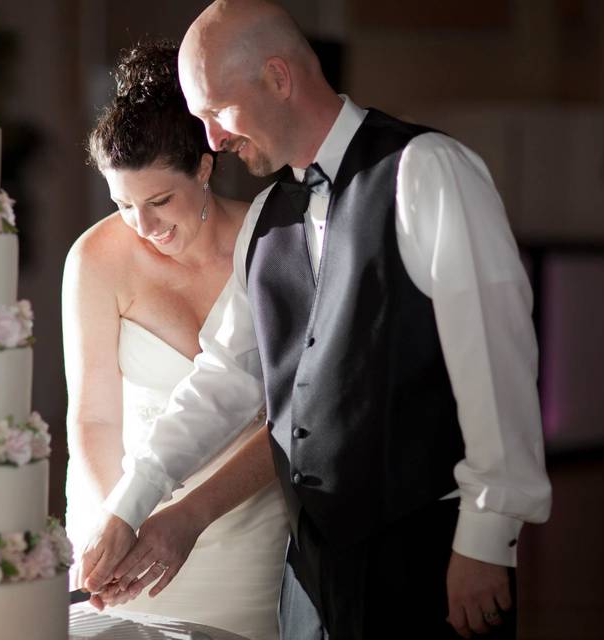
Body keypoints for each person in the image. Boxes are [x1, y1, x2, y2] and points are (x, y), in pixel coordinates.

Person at [79, 2, 553, 639]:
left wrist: (486, 539)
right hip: (309, 573)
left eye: (217, 112)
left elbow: (498, 363)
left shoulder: (426, 170)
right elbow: (225, 375)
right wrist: (131, 504)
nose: (212, 140)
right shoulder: (271, 211)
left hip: (427, 555)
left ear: (278, 77)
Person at [62, 40, 289, 640]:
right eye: (123, 204)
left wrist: (188, 513)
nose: (144, 226)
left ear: (205, 167)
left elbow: (295, 415)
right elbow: (92, 416)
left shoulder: (272, 242)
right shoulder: (96, 258)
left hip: (245, 522)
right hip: (121, 520)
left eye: (159, 201)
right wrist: (119, 518)